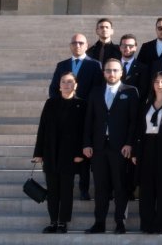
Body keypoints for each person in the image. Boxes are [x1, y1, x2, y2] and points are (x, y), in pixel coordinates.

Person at [82, 58, 141, 234]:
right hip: (99, 147)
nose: (111, 73)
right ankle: (99, 222)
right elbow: (88, 120)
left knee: (120, 186)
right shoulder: (95, 92)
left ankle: (120, 223)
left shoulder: (130, 91)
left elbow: (134, 122)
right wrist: (86, 143)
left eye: (115, 70)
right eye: (108, 70)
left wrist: (130, 143)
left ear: (121, 72)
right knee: (100, 187)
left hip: (120, 148)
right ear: (104, 73)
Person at [48, 33, 102, 200]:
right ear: (70, 46)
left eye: (81, 43)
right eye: (74, 43)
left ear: (87, 46)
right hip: (65, 115)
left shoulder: (95, 65)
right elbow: (53, 89)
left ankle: (84, 188)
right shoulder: (62, 65)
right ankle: (65, 188)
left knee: (84, 152)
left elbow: (97, 89)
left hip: (85, 115)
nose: (77, 45)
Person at [33, 72, 87, 233]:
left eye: (70, 82)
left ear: (75, 85)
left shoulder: (82, 105)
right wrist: (39, 152)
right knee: (52, 191)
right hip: (50, 153)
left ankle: (63, 222)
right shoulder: (51, 103)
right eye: (63, 82)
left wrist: (80, 153)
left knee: (66, 191)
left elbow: (84, 131)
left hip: (70, 156)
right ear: (59, 85)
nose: (66, 84)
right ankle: (53, 222)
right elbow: (42, 128)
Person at [132, 70, 162, 234]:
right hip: (146, 147)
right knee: (146, 189)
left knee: (161, 189)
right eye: (156, 81)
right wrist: (136, 152)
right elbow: (138, 129)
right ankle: (146, 224)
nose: (159, 84)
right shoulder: (146, 102)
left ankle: (159, 225)